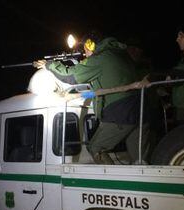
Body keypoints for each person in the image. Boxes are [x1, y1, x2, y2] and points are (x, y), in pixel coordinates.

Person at [34, 31, 150, 165]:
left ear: (90, 45)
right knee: (140, 162)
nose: (85, 54)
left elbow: (70, 76)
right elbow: (100, 91)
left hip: (122, 112)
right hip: (142, 111)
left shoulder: (100, 59)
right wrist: (73, 94)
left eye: (85, 50)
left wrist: (49, 65)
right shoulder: (119, 54)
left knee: (96, 148)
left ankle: (112, 182)